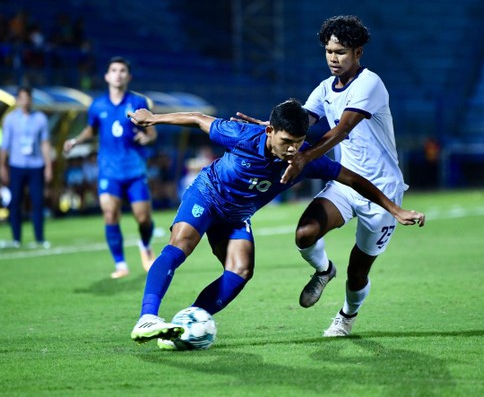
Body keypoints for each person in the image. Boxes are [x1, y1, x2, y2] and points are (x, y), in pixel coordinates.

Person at [126, 99, 425, 348]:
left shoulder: (304, 160)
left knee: (241, 271)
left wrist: (394, 209)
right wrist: (154, 118)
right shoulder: (240, 135)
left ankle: (185, 326)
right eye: (286, 142)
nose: (293, 149)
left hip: (237, 215)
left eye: (298, 142)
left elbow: (352, 178)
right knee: (181, 245)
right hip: (207, 194)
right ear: (269, 131)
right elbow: (196, 118)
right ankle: (147, 318)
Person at [235, 15, 409, 336]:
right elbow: (303, 121)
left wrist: (303, 157)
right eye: (329, 51)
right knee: (305, 234)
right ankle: (324, 270)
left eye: (341, 51)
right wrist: (272, 128)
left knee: (358, 272)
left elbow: (341, 130)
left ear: (358, 53)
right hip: (345, 182)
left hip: (380, 191)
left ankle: (347, 314)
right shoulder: (325, 88)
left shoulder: (369, 84)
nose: (333, 57)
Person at [64, 56, 157, 279]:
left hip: (134, 169)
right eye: (113, 70)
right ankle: (120, 264)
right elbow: (91, 129)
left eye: (122, 70)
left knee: (143, 218)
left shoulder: (137, 103)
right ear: (107, 76)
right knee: (109, 213)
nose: (118, 74)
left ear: (128, 76)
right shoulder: (97, 106)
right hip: (109, 170)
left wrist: (148, 138)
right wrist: (76, 140)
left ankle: (145, 246)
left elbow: (152, 129)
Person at [0, 86, 52, 248]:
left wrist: (48, 166)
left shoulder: (40, 118)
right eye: (22, 98)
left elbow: (45, 143)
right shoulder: (10, 120)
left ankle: (40, 238)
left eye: (27, 98)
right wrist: (2, 166)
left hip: (36, 165)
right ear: (18, 100)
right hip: (17, 165)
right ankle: (16, 238)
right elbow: (5, 145)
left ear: (31, 99)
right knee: (15, 202)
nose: (25, 101)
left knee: (37, 201)